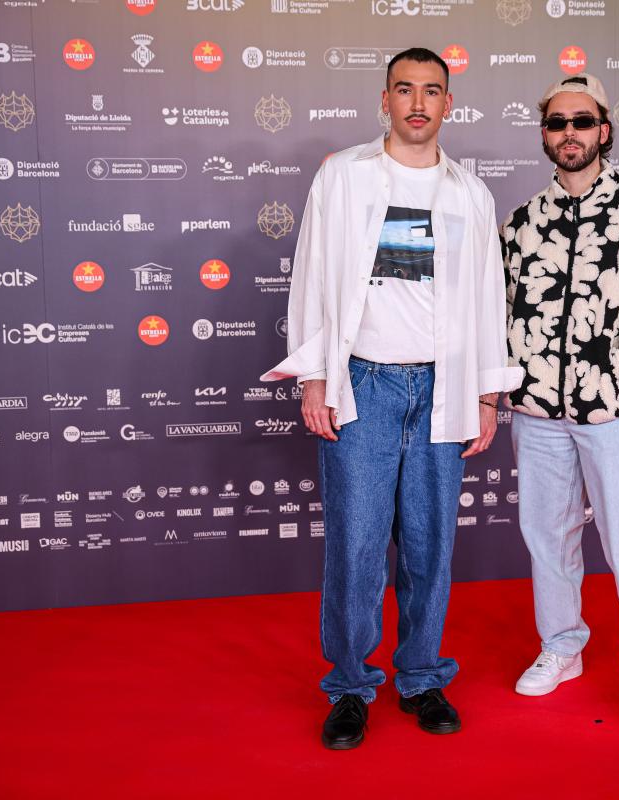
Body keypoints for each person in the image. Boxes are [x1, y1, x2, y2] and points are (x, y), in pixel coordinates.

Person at [261, 47, 523, 750]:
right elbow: (312, 273)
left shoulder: (470, 193)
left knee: (430, 546)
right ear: (385, 100)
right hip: (364, 383)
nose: (417, 103)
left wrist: (487, 396)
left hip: (442, 386)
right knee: (356, 545)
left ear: (448, 104)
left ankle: (422, 676)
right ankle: (350, 686)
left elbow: (488, 299)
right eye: (404, 89)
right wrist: (315, 375)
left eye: (431, 91)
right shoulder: (343, 177)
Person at [499, 73, 619, 732]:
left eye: (582, 121)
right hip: (536, 411)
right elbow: (501, 312)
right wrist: (513, 384)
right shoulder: (522, 223)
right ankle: (562, 646)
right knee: (547, 537)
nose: (570, 133)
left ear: (604, 130)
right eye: (557, 123)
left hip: (612, 411)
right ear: (544, 134)